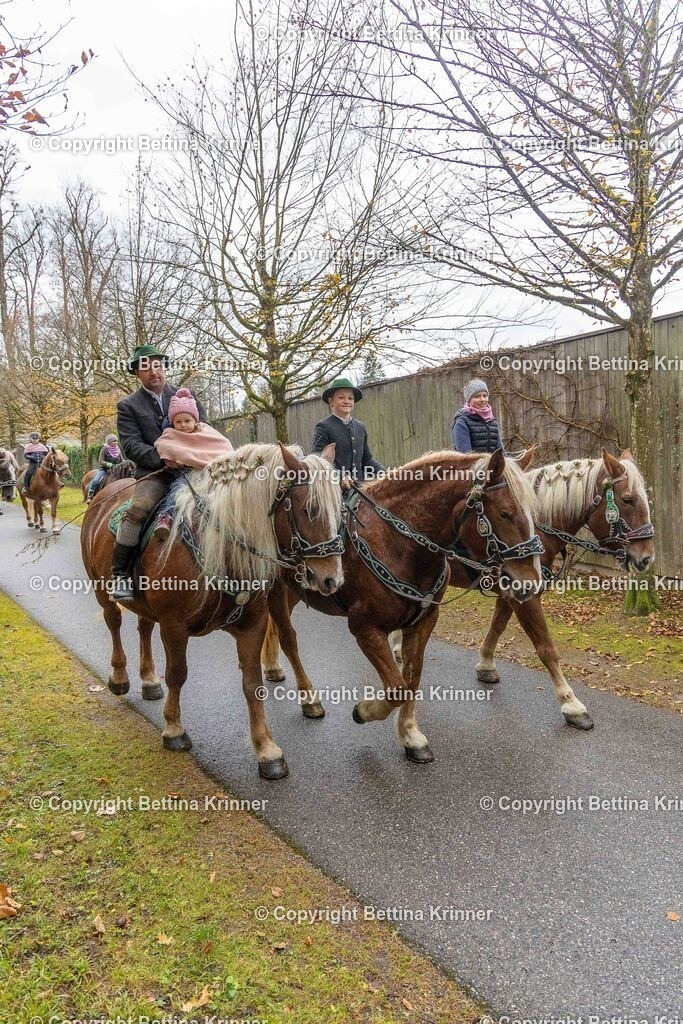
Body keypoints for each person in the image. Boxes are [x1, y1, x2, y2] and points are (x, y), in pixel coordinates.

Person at [110, 344, 208, 603]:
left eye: (157, 365)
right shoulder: (127, 406)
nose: (153, 371)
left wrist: (193, 456)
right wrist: (163, 457)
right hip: (156, 473)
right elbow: (131, 445)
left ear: (164, 368)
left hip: (196, 469)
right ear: (137, 374)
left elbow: (204, 429)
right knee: (137, 510)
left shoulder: (188, 395)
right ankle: (119, 574)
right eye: (145, 367)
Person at [151, 387, 234, 540]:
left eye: (187, 421)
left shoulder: (205, 432)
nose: (183, 425)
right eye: (178, 422)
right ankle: (165, 518)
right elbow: (163, 445)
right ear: (172, 422)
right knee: (177, 491)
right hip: (184, 474)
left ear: (195, 420)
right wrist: (173, 458)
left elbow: (222, 445)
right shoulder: (170, 435)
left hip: (208, 472)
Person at [311, 377, 385, 489]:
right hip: (334, 491)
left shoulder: (360, 427)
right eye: (341, 397)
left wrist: (385, 474)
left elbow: (366, 459)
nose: (347, 401)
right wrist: (341, 476)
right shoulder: (323, 427)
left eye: (350, 398)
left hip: (360, 491)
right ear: (331, 401)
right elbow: (318, 461)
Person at [452, 379, 505, 454]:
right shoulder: (462, 422)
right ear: (468, 400)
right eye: (477, 396)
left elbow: (501, 452)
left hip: (492, 465)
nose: (482, 399)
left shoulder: (492, 420)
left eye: (485, 396)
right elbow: (465, 456)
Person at [87, 434, 124, 502]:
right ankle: (90, 495)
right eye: (114, 441)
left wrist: (124, 463)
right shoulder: (104, 449)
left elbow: (122, 460)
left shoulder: (118, 449)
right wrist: (109, 464)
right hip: (105, 470)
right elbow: (101, 461)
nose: (116, 442)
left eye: (116, 441)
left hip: (117, 469)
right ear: (109, 442)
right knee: (96, 480)